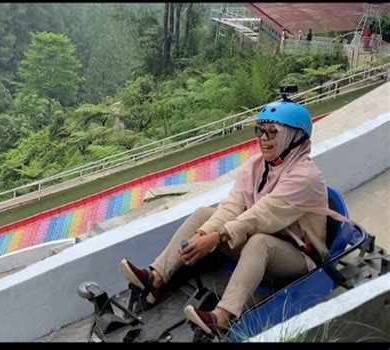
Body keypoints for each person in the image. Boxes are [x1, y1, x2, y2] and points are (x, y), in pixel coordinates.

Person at [119, 99, 346, 337]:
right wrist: (203, 234)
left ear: (294, 137)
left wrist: (217, 237)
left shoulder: (305, 177)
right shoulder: (257, 166)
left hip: (298, 256)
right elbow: (233, 205)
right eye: (260, 130)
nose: (263, 138)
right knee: (204, 214)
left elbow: (261, 216)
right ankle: (156, 279)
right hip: (258, 243)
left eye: (272, 132)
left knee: (260, 241)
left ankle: (222, 317)